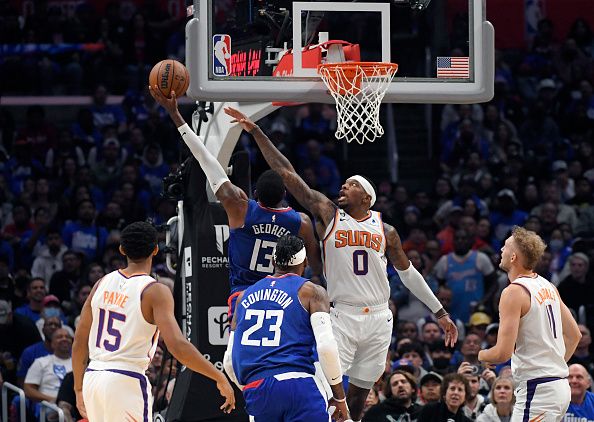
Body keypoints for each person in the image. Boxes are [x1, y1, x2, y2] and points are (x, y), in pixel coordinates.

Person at [223, 105, 458, 422]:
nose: (344, 186)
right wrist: (257, 133)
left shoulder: (386, 231)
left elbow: (409, 274)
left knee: (359, 399)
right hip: (341, 314)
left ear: (367, 198)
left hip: (378, 316)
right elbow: (288, 175)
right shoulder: (329, 214)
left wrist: (440, 312)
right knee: (322, 392)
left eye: (353, 184)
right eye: (344, 183)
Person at [148, 87, 322, 318]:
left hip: (244, 296)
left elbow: (204, 157)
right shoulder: (301, 222)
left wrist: (175, 114)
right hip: (285, 298)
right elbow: (316, 267)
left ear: (255, 193)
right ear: (285, 195)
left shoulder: (239, 206)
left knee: (239, 350)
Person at [72, 221, 235, 421]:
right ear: (156, 249)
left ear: (122, 249)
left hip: (93, 377)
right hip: (125, 380)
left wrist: (79, 388)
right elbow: (178, 346)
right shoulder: (155, 291)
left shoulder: (101, 283)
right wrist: (219, 377)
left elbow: (79, 341)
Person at [225, 234, 349, 421]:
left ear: (273, 260)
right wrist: (339, 396)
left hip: (257, 389)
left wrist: (252, 388)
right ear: (305, 262)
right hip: (298, 385)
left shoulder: (243, 297)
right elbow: (326, 347)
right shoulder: (311, 291)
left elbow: (228, 361)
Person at [478, 226, 582, 421]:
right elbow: (575, 335)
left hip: (538, 389)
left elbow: (502, 353)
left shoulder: (513, 292)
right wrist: (553, 368)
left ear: (513, 257)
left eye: (506, 247)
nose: (501, 250)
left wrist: (481, 354)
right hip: (559, 386)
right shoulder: (548, 286)